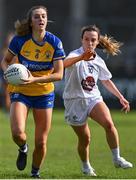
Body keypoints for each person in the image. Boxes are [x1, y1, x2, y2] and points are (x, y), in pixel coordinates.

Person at [1, 5, 65, 178]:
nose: (41, 19)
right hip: (21, 91)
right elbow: (5, 61)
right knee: (17, 133)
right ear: (31, 22)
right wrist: (8, 73)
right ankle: (23, 148)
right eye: (37, 17)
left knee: (41, 141)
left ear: (47, 20)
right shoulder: (19, 40)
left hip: (44, 94)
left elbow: (59, 74)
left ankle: (35, 173)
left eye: (44, 16)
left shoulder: (54, 42)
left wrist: (35, 79)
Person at [63, 25, 133, 177]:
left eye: (93, 40)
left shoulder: (99, 61)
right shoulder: (74, 54)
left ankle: (117, 158)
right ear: (81, 40)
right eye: (86, 39)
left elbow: (106, 81)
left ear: (97, 42)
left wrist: (120, 97)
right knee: (85, 138)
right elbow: (63, 65)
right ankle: (86, 166)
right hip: (74, 101)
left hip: (93, 98)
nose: (89, 42)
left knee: (109, 124)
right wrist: (82, 57)